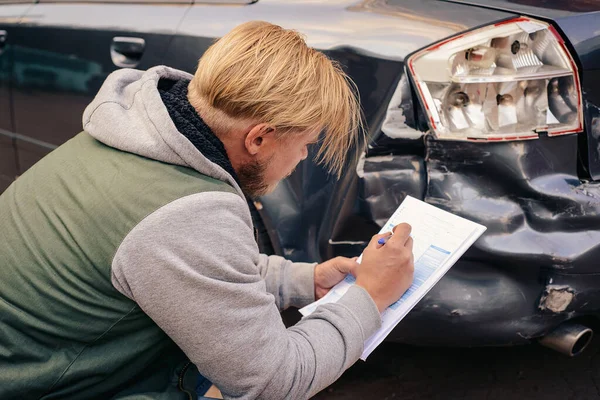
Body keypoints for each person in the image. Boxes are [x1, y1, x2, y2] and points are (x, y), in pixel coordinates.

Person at [0, 21, 414, 399]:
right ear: (259, 139)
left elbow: (187, 271)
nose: (304, 157)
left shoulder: (134, 134)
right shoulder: (187, 214)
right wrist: (370, 297)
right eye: (305, 143)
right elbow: (273, 381)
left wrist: (305, 280)